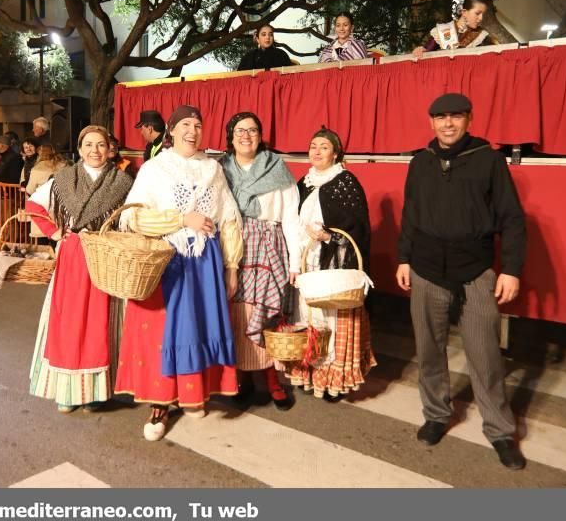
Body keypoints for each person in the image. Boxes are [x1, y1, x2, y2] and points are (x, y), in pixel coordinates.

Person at [395, 93, 526, 470]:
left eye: (455, 117)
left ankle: (500, 430)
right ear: (431, 122)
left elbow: (512, 219)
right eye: (440, 118)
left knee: (485, 355)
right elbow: (410, 215)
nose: (447, 124)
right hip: (425, 269)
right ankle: (436, 414)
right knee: (430, 349)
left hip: (476, 270)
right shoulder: (420, 163)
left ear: (469, 119)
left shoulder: (488, 160)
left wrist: (512, 269)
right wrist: (404, 258)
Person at [115, 105, 243, 441]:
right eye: (186, 124)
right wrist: (181, 220)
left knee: (199, 328)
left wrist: (231, 267)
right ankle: (159, 404)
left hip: (204, 262)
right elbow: (132, 218)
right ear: (170, 130)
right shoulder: (155, 169)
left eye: (199, 125)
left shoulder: (213, 168)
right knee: (161, 334)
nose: (193, 130)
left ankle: (192, 394)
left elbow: (229, 219)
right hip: (166, 261)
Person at [25, 125, 134, 413]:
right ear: (80, 148)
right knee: (69, 321)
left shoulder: (123, 182)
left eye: (100, 144)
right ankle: (68, 391)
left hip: (105, 254)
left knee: (103, 322)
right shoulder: (63, 179)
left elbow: (132, 217)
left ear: (109, 148)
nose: (95, 150)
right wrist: (55, 232)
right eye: (89, 144)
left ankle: (98, 390)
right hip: (73, 256)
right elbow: (34, 205)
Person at [283, 127, 376, 401]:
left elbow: (358, 228)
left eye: (324, 147)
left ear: (335, 153)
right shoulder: (304, 183)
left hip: (334, 266)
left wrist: (329, 236)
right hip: (307, 262)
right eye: (313, 146)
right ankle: (309, 371)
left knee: (331, 319)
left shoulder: (345, 182)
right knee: (307, 317)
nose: (317, 151)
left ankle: (332, 378)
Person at [219, 111, 300, 410]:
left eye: (252, 130)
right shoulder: (220, 169)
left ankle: (272, 380)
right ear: (230, 136)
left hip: (268, 245)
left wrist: (295, 263)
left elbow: (291, 216)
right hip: (233, 247)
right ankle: (239, 376)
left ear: (260, 135)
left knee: (266, 312)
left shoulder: (277, 167)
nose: (246, 135)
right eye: (239, 130)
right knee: (236, 313)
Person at [413, 0, 496, 57]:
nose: (481, 18)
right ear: (464, 12)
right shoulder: (442, 31)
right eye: (477, 13)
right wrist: (421, 50)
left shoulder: (482, 37)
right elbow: (427, 52)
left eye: (483, 14)